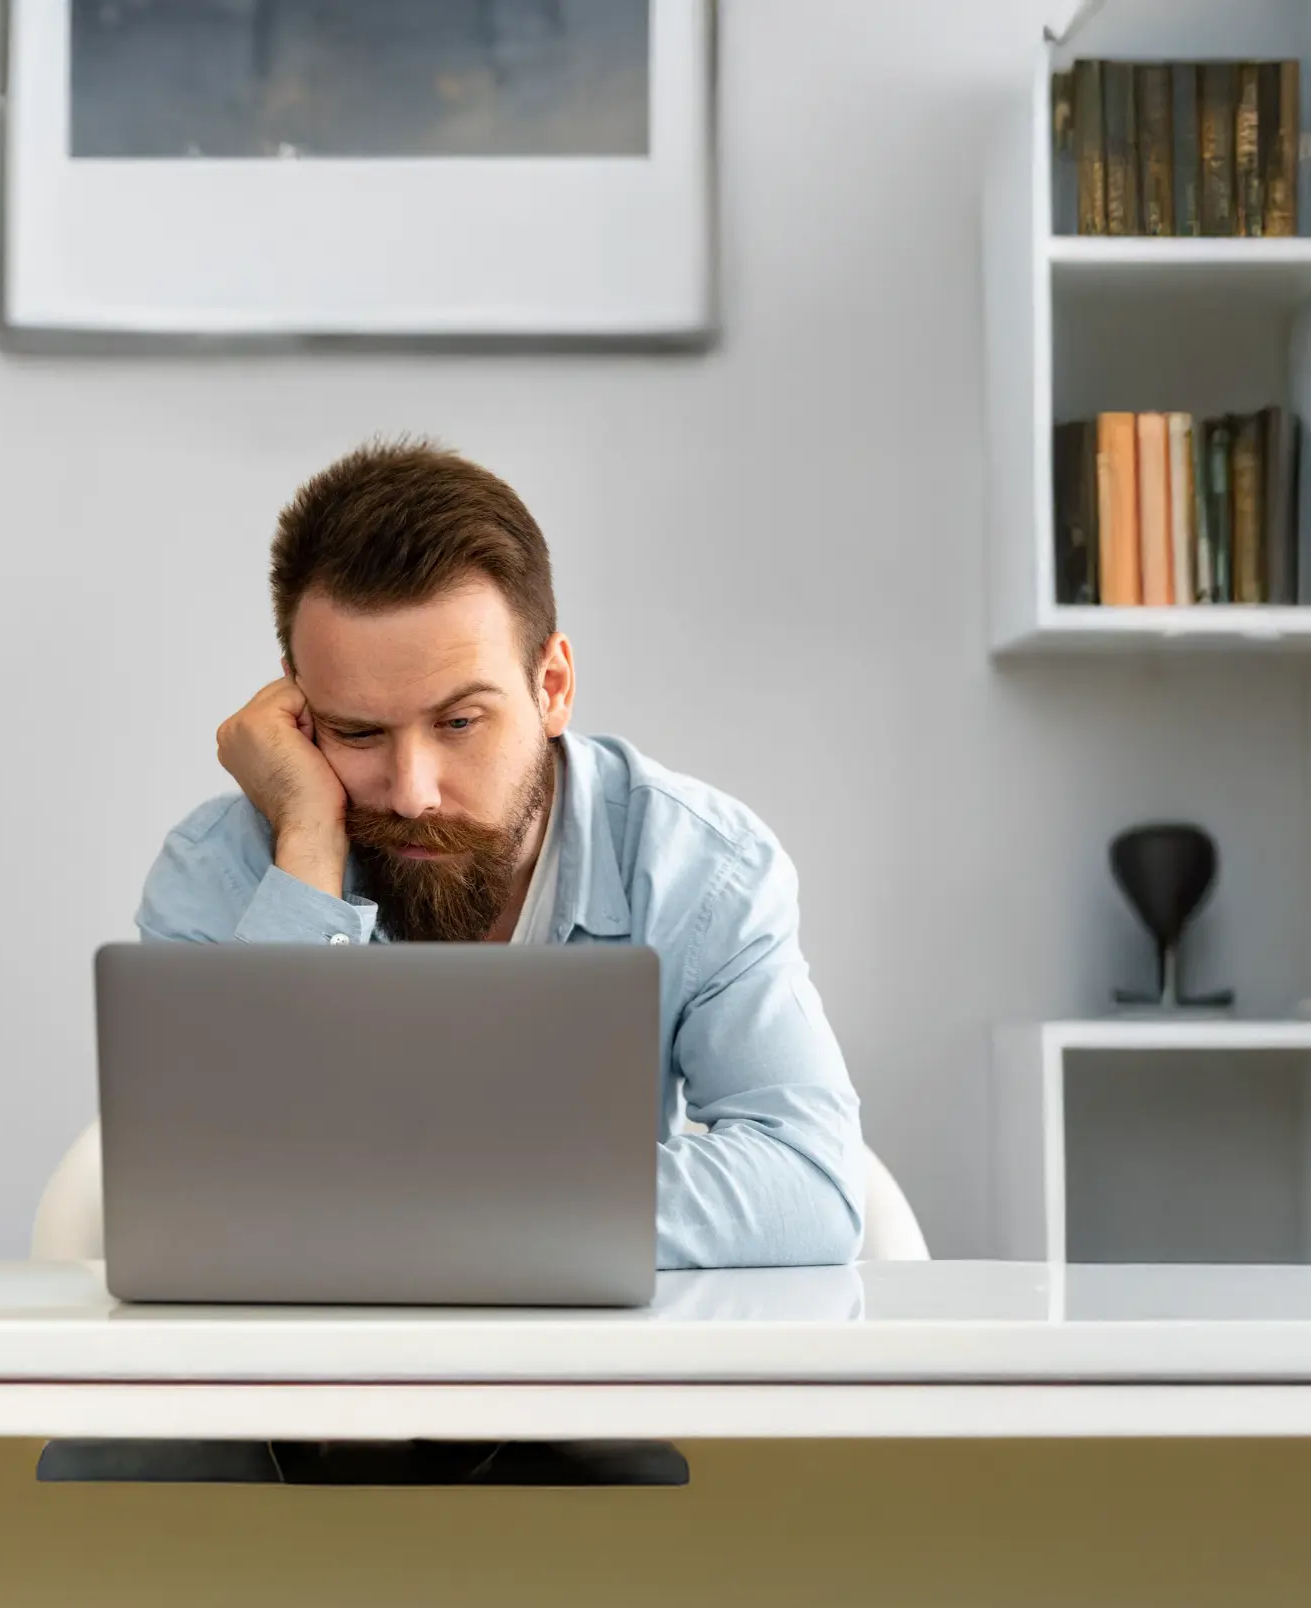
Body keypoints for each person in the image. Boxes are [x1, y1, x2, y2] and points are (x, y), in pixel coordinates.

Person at [136, 439, 863, 1269]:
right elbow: (194, 1203)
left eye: (458, 723)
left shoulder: (703, 866)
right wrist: (306, 841)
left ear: (551, 688)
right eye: (357, 731)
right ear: (299, 711)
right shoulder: (218, 870)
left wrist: (424, 1204)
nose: (412, 791)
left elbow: (810, 1183)